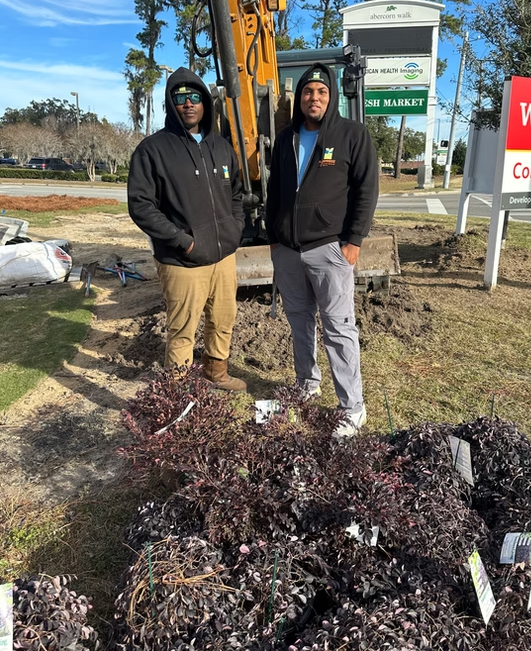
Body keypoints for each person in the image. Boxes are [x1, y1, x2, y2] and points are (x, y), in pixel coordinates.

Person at [265, 63, 378, 437]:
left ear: (330, 97)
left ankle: (352, 407)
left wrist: (353, 241)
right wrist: (273, 236)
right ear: (299, 98)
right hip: (288, 250)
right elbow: (275, 191)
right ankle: (306, 384)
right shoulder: (286, 138)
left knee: (338, 328)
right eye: (307, 92)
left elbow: (366, 190)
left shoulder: (351, 135)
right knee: (299, 322)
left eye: (321, 92)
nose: (314, 98)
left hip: (329, 249)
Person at [128, 67, 246, 391]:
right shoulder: (152, 150)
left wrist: (235, 229)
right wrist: (184, 242)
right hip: (182, 261)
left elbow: (236, 193)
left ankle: (215, 373)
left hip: (223, 257)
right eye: (181, 98)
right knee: (182, 330)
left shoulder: (221, 147)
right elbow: (141, 206)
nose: (189, 103)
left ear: (205, 102)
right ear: (171, 103)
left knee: (222, 320)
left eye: (195, 96)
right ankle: (177, 395)